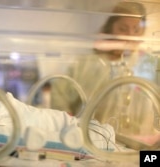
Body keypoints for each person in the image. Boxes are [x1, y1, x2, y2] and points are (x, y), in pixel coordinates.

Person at [50, 1, 157, 135]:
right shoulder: (86, 63)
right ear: (110, 28)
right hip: (88, 140)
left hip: (135, 143)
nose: (130, 36)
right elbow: (60, 100)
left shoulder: (148, 64)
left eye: (136, 30)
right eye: (123, 29)